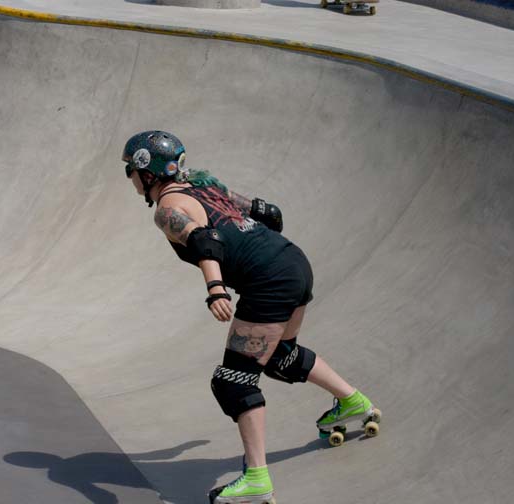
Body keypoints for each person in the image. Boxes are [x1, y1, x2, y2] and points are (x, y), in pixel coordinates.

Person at [123, 130, 377, 504]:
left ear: (147, 173)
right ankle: (353, 402)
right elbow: (268, 214)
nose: (129, 177)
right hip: (293, 262)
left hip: (268, 281)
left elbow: (204, 241)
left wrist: (216, 289)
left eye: (130, 170)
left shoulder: (167, 211)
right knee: (280, 355)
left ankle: (257, 480)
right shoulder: (204, 184)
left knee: (233, 382)